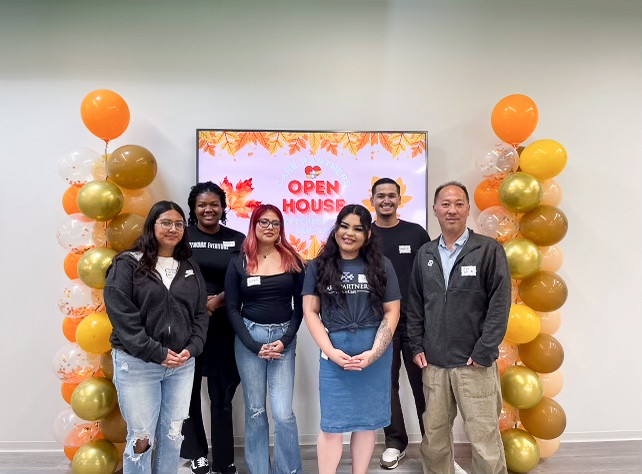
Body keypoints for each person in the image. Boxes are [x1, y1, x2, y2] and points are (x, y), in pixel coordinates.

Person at [407, 182, 511, 474]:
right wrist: (416, 345)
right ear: (435, 210)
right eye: (445, 203)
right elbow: (415, 304)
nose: (452, 210)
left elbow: (500, 305)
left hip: (474, 363)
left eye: (458, 203)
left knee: (484, 439)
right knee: (435, 440)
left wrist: (484, 350)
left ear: (468, 209)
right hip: (435, 363)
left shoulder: (488, 250)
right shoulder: (425, 254)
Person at [104, 201, 209, 474]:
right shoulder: (127, 263)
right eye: (166, 222)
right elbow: (122, 317)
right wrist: (156, 352)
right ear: (152, 226)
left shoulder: (188, 266)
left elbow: (200, 312)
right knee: (141, 439)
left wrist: (193, 347)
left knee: (173, 436)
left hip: (181, 366)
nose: (173, 229)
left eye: (178, 224)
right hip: (138, 365)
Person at [302, 204, 401, 474]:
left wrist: (374, 354)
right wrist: (331, 352)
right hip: (334, 357)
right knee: (332, 426)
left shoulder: (382, 265)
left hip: (375, 358)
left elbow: (392, 312)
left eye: (358, 228)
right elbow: (310, 312)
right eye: (344, 226)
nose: (350, 233)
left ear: (368, 234)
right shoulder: (318, 265)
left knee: (367, 424)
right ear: (336, 229)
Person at [224, 204, 305, 474]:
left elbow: (301, 306)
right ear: (254, 225)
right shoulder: (239, 261)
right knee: (256, 411)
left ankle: (288, 470)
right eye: (263, 222)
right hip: (250, 339)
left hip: (284, 340)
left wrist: (286, 339)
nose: (269, 227)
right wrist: (254, 345)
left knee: (283, 413)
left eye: (275, 223)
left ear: (281, 228)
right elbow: (232, 308)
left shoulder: (292, 259)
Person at [181, 182, 245, 474]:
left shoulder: (238, 239)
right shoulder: (181, 237)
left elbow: (248, 278)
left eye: (215, 204)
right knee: (187, 391)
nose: (209, 209)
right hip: (187, 325)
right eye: (202, 205)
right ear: (194, 209)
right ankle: (196, 453)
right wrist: (199, 305)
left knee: (222, 393)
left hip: (224, 325)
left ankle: (224, 459)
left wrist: (219, 301)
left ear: (223, 207)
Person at [369, 178, 431, 470]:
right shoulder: (364, 234)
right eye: (380, 196)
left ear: (399, 200)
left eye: (391, 195)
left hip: (416, 323)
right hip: (378, 323)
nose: (386, 200)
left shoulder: (416, 233)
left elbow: (431, 277)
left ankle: (435, 446)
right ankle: (395, 443)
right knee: (386, 385)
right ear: (372, 200)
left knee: (425, 385)